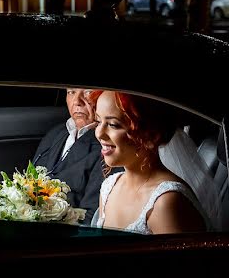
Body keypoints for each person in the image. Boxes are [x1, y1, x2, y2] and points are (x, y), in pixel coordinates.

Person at [90, 90, 218, 234]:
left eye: (113, 124)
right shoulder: (109, 187)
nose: (99, 133)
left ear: (151, 134)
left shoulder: (166, 202)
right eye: (98, 121)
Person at [31, 88, 104, 225]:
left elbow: (90, 218)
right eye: (71, 92)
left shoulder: (107, 149)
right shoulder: (56, 133)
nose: (77, 101)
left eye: (88, 92)